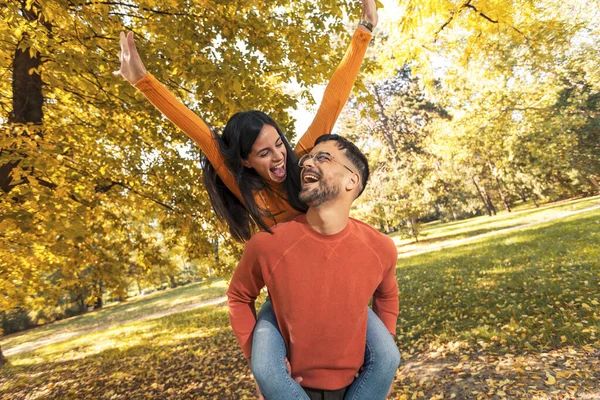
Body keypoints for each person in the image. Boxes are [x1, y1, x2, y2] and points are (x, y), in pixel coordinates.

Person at [113, 2, 397, 398]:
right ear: (245, 160)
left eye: (278, 144)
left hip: (334, 278)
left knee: (386, 357)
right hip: (287, 291)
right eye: (264, 153)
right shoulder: (240, 182)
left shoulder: (301, 158)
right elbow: (196, 129)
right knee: (265, 367)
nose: (278, 157)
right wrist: (143, 81)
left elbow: (333, 100)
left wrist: (364, 30)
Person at [228, 134, 400, 400]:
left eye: (323, 158)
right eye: (308, 158)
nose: (307, 163)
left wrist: (382, 364)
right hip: (292, 389)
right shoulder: (266, 245)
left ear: (352, 180)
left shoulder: (381, 248)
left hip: (357, 388)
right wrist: (257, 363)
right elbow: (239, 296)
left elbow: (387, 295)